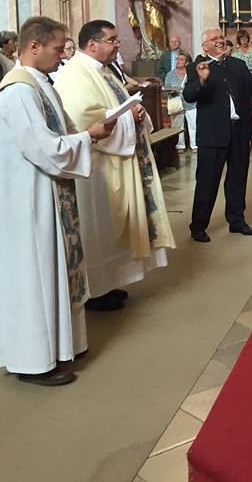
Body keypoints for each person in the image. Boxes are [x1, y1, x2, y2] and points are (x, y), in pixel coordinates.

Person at [0, 16, 116, 386]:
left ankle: (62, 346)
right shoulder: (19, 92)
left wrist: (87, 134)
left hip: (47, 192)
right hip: (29, 201)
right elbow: (44, 149)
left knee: (54, 269)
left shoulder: (40, 84)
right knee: (35, 275)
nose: (63, 55)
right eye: (58, 49)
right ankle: (34, 361)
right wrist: (87, 137)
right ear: (34, 47)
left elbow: (59, 133)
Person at [55, 20, 175, 310]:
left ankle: (107, 284)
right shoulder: (74, 74)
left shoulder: (104, 70)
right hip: (96, 169)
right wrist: (127, 117)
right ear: (92, 44)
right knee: (97, 229)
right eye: (112, 40)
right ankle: (95, 290)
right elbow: (82, 118)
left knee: (109, 232)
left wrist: (136, 111)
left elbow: (116, 105)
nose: (117, 45)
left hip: (113, 162)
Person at [184, 28, 252, 242]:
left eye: (221, 37)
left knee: (237, 180)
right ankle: (198, 226)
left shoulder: (238, 65)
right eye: (214, 39)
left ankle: (236, 221)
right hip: (212, 135)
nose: (220, 40)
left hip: (239, 132)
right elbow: (189, 96)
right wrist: (201, 80)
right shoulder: (198, 67)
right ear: (205, 46)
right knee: (207, 183)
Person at [164, 51, 197, 151]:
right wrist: (171, 91)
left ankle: (195, 145)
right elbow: (166, 88)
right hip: (176, 103)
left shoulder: (192, 74)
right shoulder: (170, 74)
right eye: (177, 58)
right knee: (177, 126)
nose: (178, 61)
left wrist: (181, 89)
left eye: (181, 59)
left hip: (191, 103)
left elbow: (195, 87)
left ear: (187, 62)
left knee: (194, 125)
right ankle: (180, 145)